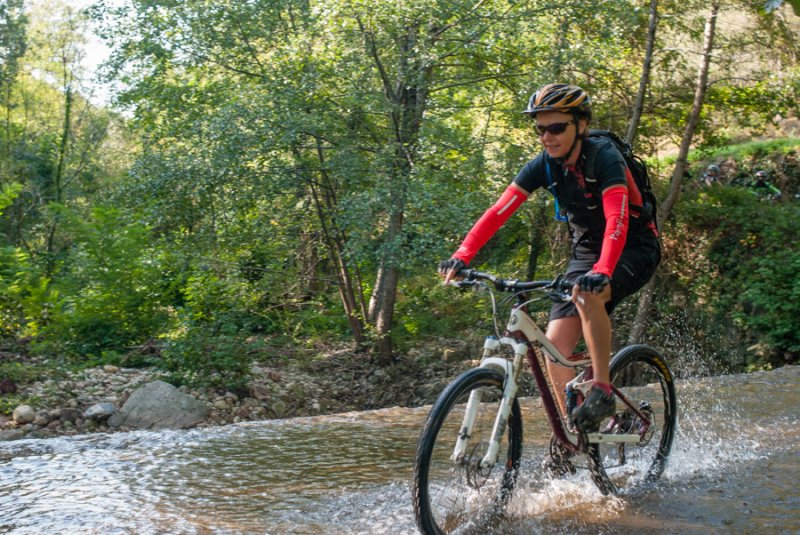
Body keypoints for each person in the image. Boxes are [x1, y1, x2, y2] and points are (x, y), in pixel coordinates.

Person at [438, 83, 661, 433]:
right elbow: (499, 211)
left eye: (556, 128)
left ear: (581, 126)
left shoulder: (604, 158)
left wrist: (602, 271)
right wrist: (461, 255)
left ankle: (602, 389)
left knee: (589, 296)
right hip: (588, 252)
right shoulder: (544, 165)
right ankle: (571, 437)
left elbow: (616, 219)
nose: (547, 137)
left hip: (634, 246)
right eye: (541, 129)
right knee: (554, 349)